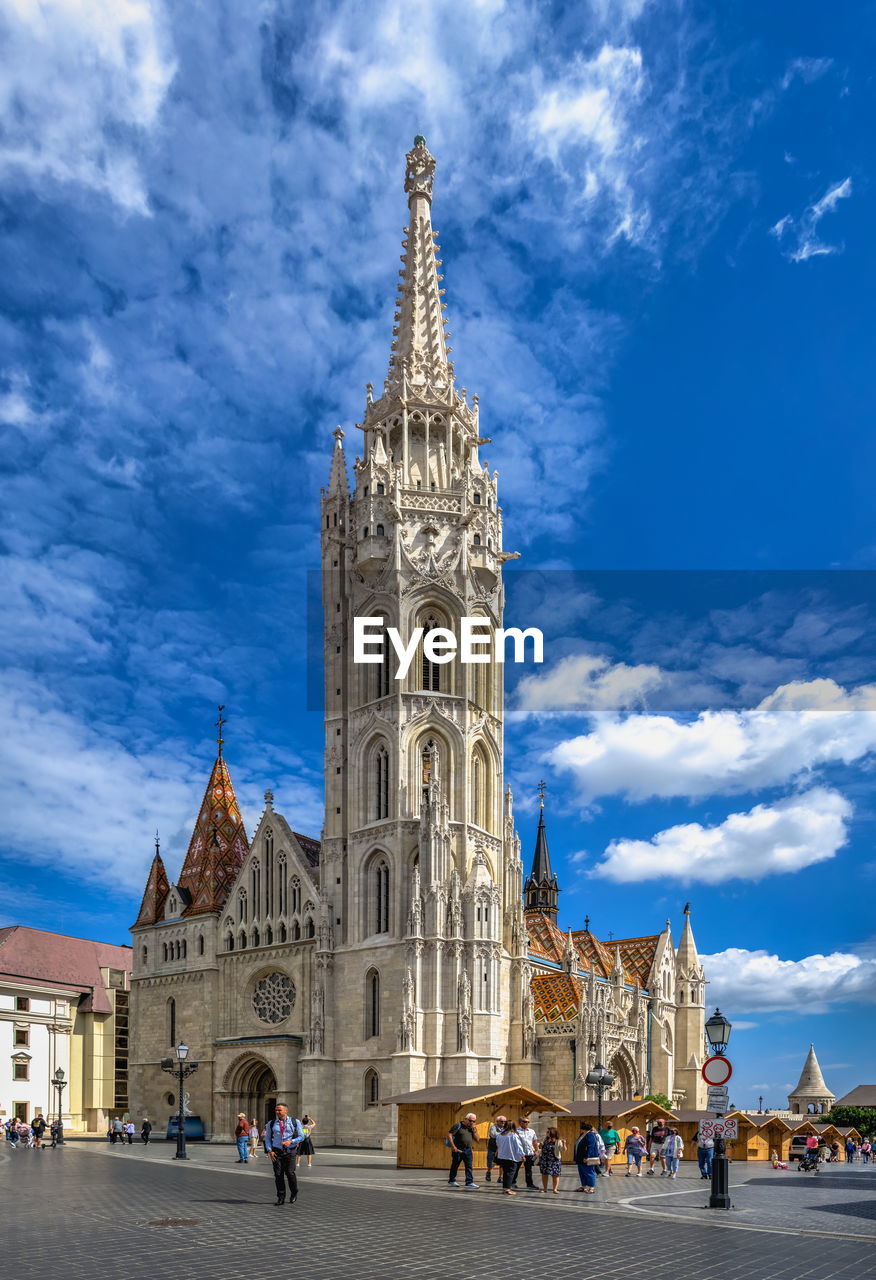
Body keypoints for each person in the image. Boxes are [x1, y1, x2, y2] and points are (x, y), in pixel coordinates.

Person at [263, 1104, 305, 1205]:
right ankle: (281, 1197)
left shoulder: (295, 1122)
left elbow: (302, 1136)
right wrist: (269, 1150)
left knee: (290, 1173)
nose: (277, 1112)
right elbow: (267, 1138)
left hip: (290, 1151)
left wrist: (291, 1141)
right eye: (276, 1110)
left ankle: (294, 1192)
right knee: (278, 1175)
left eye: (279, 1110)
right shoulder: (271, 1123)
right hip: (276, 1151)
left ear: (286, 1110)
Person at [446, 1112, 479, 1189]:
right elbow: (449, 1134)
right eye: (470, 1121)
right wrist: (453, 1146)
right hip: (458, 1149)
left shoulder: (472, 1128)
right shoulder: (458, 1125)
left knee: (469, 1166)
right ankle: (452, 1180)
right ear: (465, 1119)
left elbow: (477, 1139)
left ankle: (469, 1182)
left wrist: (474, 1130)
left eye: (474, 1121)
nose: (472, 1122)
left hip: (468, 1150)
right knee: (455, 1165)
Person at [495, 1121, 524, 1196]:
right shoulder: (513, 1135)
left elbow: (498, 1145)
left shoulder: (499, 1135)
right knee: (510, 1173)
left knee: (505, 1173)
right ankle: (507, 1189)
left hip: (502, 1156)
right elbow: (518, 1146)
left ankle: (505, 1188)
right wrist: (522, 1155)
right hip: (511, 1157)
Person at [574, 1122, 602, 1194]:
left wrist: (587, 1157)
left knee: (589, 1172)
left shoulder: (590, 1135)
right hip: (580, 1157)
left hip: (587, 1158)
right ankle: (584, 1186)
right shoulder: (582, 1135)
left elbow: (591, 1147)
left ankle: (591, 1187)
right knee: (582, 1173)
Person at [512, 1116, 537, 1190]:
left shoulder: (532, 1131)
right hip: (519, 1154)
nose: (527, 1123)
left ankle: (530, 1184)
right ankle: (512, 1183)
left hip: (529, 1153)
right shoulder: (516, 1131)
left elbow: (534, 1142)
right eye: (525, 1122)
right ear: (520, 1123)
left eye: (528, 1122)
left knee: (529, 1170)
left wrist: (536, 1150)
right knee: (516, 1169)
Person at [538, 1126, 564, 1194]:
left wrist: (564, 1144)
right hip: (545, 1160)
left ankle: (555, 1189)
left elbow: (563, 1149)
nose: (546, 1133)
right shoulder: (545, 1140)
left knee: (555, 1175)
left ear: (552, 1133)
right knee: (544, 1174)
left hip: (554, 1160)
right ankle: (545, 1188)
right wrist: (541, 1145)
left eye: (548, 1132)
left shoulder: (558, 1141)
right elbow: (541, 1148)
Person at [485, 1114, 506, 1182]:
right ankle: (488, 1172)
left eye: (504, 1121)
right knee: (490, 1161)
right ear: (497, 1121)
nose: (503, 1123)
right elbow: (493, 1135)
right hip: (492, 1147)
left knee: (502, 1163)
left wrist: (499, 1134)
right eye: (501, 1121)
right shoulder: (493, 1127)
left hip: (501, 1148)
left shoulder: (506, 1128)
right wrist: (503, 1134)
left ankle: (500, 1177)